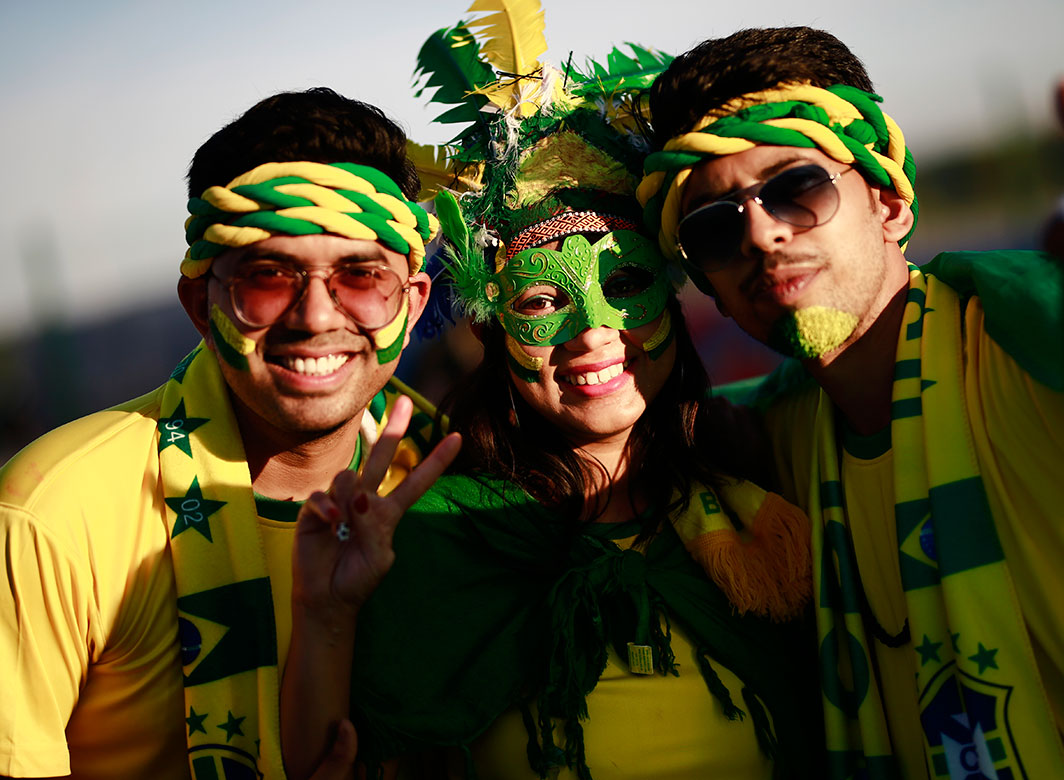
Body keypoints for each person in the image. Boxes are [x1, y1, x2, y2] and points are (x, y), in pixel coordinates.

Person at [279, 11, 822, 779]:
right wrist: (327, 616)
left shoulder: (764, 483)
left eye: (626, 285)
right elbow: (326, 764)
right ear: (495, 331)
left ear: (672, 300)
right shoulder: (444, 542)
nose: (594, 332)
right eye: (540, 302)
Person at [638, 26, 1064, 780]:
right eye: (714, 231)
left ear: (888, 202)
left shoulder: (1051, 351)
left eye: (795, 188)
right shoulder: (776, 432)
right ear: (712, 293)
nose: (760, 233)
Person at [0, 87, 460, 779]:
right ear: (199, 303)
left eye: (361, 276)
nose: (314, 317)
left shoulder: (463, 483)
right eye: (267, 277)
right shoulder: (56, 513)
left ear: (413, 300)